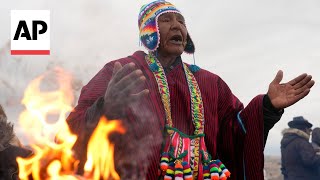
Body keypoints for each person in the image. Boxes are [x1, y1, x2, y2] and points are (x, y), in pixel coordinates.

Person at [66, 1, 315, 179]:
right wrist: (105, 107)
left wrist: (267, 108)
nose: (178, 26)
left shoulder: (210, 83)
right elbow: (72, 130)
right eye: (166, 20)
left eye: (182, 22)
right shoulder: (122, 71)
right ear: (149, 30)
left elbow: (235, 132)